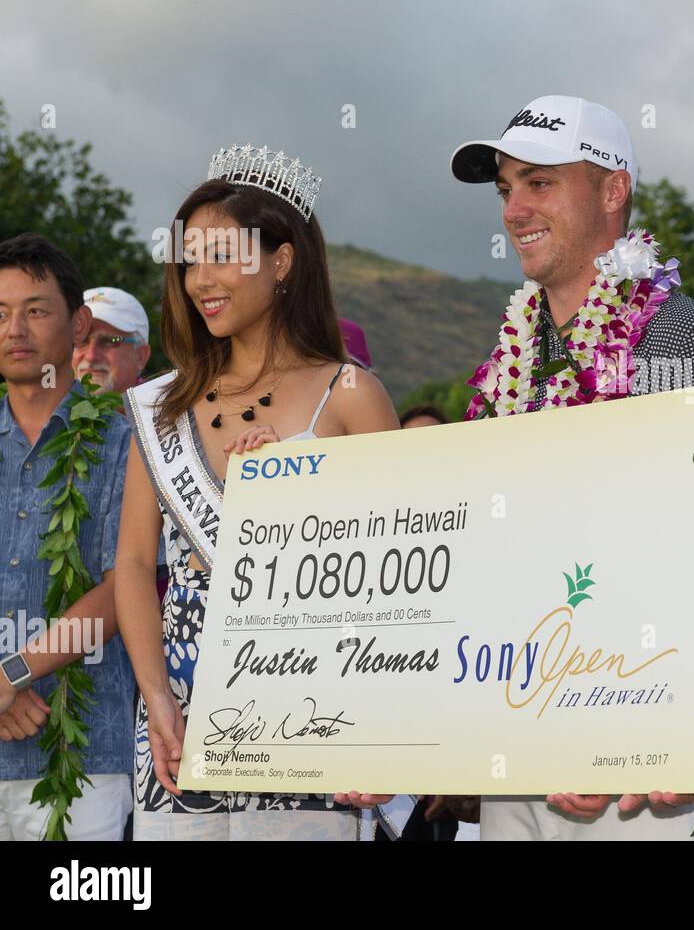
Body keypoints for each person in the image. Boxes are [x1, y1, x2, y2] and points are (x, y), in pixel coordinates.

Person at [443, 94, 694, 840]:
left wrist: (669, 724)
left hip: (642, 752)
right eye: (506, 186)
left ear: (613, 191)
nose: (514, 208)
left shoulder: (685, 339)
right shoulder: (506, 360)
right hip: (517, 732)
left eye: (539, 183)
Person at [113, 145, 400, 841]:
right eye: (189, 260)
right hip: (178, 732)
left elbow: (402, 576)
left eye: (219, 255)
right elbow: (131, 564)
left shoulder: (351, 396)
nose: (199, 280)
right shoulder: (162, 409)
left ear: (281, 260)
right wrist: (156, 700)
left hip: (312, 719)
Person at [0, 233, 135, 839]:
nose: (15, 329)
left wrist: (10, 675)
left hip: (85, 756)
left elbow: (120, 593)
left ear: (78, 322)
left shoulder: (121, 441)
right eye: (0, 313)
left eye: (35, 309)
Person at [74, 286, 152, 397]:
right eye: (81, 340)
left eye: (108, 341)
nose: (91, 356)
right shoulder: (45, 410)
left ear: (140, 356)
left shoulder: (167, 413)